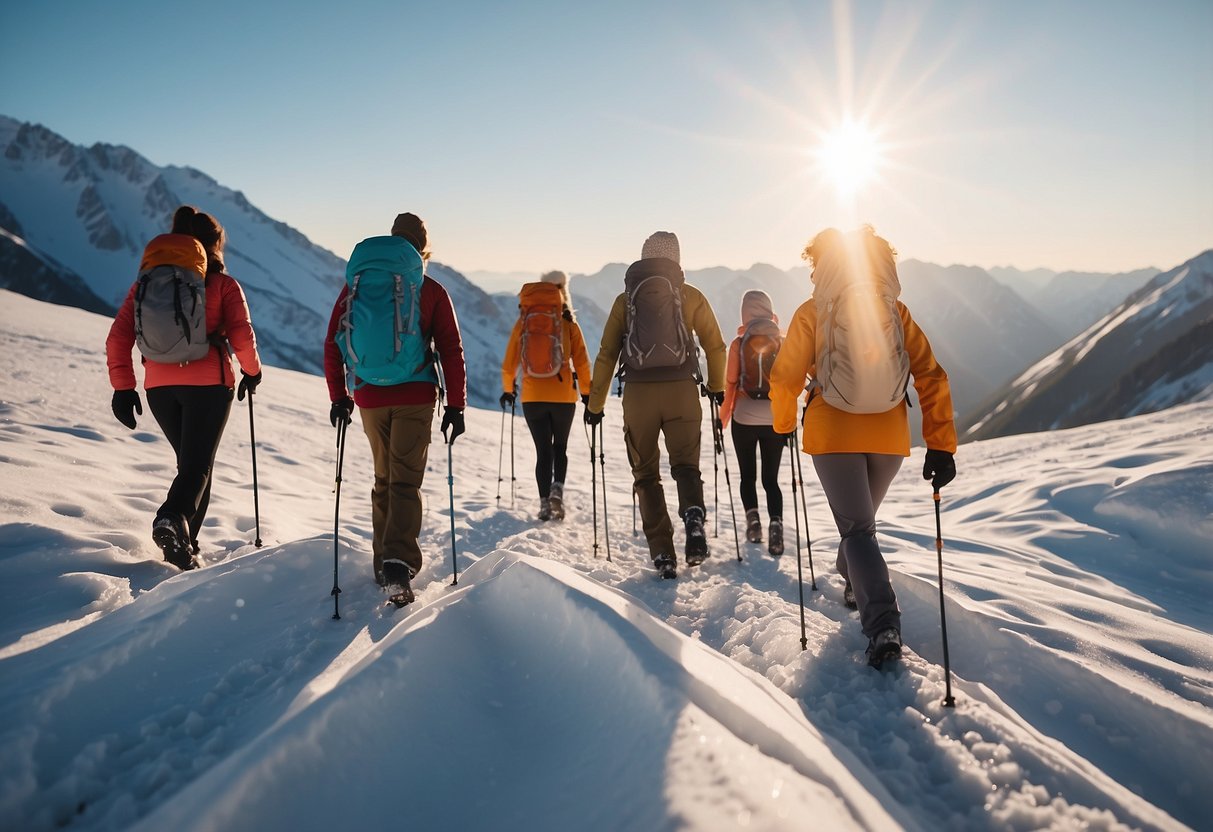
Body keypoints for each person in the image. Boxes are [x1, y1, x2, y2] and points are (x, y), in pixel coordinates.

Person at [769, 225, 957, 667]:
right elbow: (932, 376)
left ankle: (882, 623)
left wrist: (782, 425)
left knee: (857, 530)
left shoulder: (812, 311)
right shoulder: (897, 311)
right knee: (861, 527)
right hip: (889, 435)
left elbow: (783, 377)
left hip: (833, 433)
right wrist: (941, 445)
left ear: (823, 264)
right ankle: (855, 580)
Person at [106, 205, 262, 570]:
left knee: (191, 465)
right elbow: (241, 334)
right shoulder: (223, 285)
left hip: (158, 386)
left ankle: (184, 546)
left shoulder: (145, 284)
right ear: (213, 245)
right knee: (196, 466)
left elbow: (118, 337)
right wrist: (252, 372)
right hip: (207, 382)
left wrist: (123, 388)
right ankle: (171, 520)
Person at [324, 212, 466, 605]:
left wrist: (340, 396)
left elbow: (332, 342)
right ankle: (398, 564)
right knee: (405, 481)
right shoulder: (429, 288)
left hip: (369, 395)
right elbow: (451, 349)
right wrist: (457, 405)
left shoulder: (356, 287)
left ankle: (382, 564)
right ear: (422, 248)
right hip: (415, 395)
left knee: (384, 479)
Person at [585, 231, 727, 578]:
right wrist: (716, 386)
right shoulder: (690, 295)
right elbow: (715, 346)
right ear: (676, 260)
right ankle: (693, 516)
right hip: (682, 392)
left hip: (639, 396)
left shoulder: (625, 300)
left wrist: (595, 404)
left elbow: (606, 354)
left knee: (646, 474)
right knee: (685, 466)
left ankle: (663, 553)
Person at [500, 270, 593, 521]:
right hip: (563, 397)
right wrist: (586, 393)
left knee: (543, 451)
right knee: (559, 448)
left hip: (532, 396)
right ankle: (557, 492)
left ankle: (543, 504)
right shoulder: (568, 324)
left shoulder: (524, 323)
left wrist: (508, 389)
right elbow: (582, 363)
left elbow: (509, 364)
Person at [719, 289, 785, 557]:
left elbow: (731, 383)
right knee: (771, 478)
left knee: (748, 476)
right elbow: (789, 384)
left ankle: (754, 522)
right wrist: (789, 420)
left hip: (744, 416)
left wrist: (722, 419)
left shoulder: (738, 343)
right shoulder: (783, 340)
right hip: (774, 419)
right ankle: (777, 527)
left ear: (744, 314)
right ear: (770, 311)